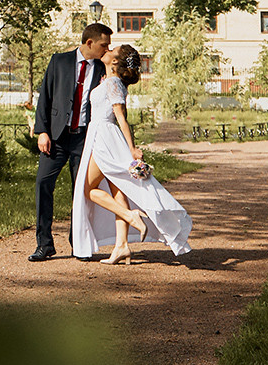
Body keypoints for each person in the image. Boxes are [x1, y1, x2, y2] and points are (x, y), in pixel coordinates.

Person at [73, 44, 192, 263]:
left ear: (116, 61)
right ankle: (122, 246)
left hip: (104, 137)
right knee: (118, 190)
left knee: (88, 189)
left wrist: (131, 148)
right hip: (102, 133)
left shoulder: (112, 83)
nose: (107, 50)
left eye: (112, 50)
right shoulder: (110, 81)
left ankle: (131, 216)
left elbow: (121, 117)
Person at [27, 21, 113, 262]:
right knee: (43, 186)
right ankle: (44, 245)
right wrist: (42, 131)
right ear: (90, 43)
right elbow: (45, 96)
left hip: (84, 139)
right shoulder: (59, 61)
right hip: (55, 138)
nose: (107, 49)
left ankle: (79, 245)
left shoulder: (102, 68)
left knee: (82, 193)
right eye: (104, 45)